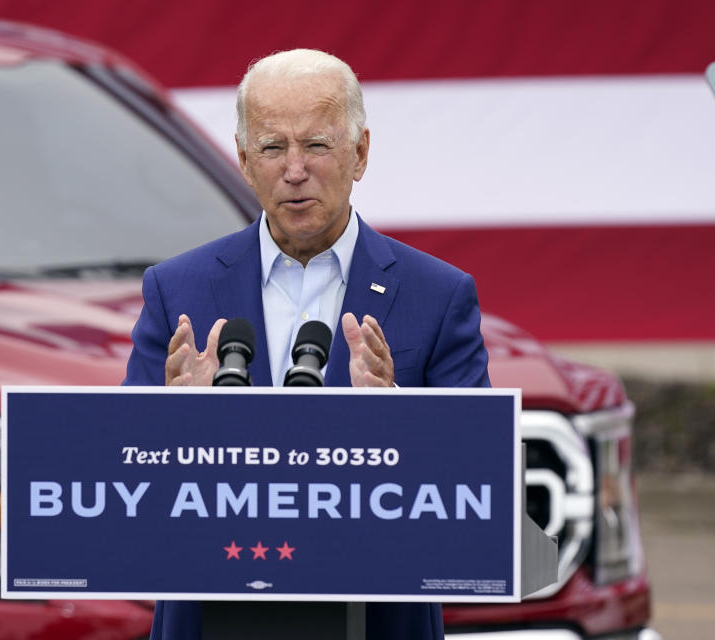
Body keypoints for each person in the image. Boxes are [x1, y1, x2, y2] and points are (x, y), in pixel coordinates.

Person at [123, 48, 490, 640]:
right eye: (272, 148)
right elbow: (122, 481)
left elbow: (477, 479)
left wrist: (400, 415)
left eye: (317, 145)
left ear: (360, 153)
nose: (294, 170)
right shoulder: (178, 289)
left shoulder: (438, 295)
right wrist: (170, 421)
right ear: (244, 160)